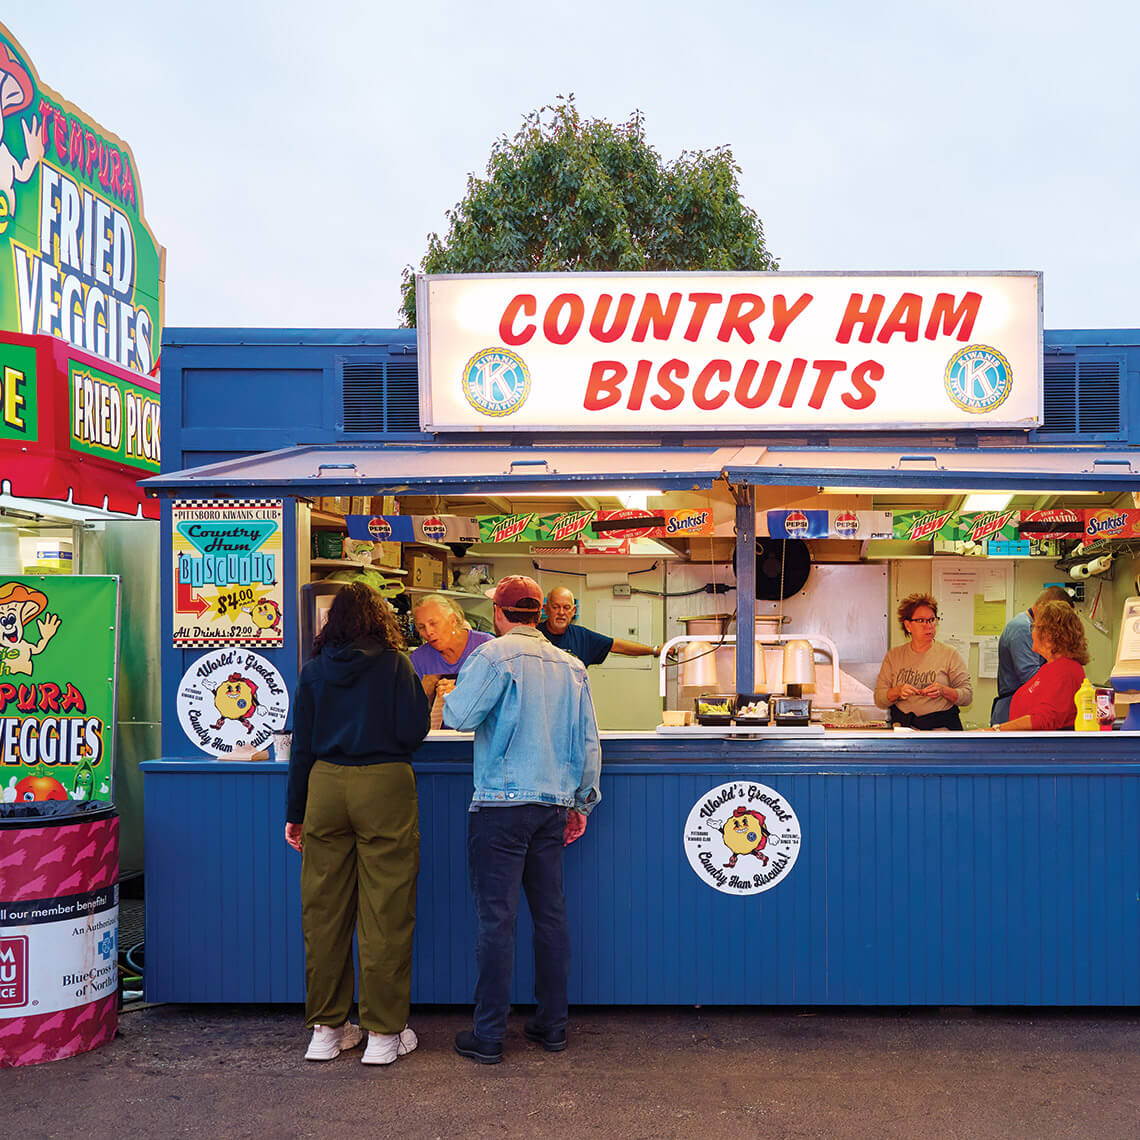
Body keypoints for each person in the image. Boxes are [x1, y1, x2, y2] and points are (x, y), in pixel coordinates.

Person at [442, 575, 601, 1064]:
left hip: (500, 807)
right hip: (552, 806)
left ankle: (489, 1035)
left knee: (498, 921)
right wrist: (583, 802)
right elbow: (589, 743)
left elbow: (459, 717)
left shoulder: (492, 656)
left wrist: (449, 692)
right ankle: (551, 1026)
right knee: (550, 917)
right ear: (538, 614)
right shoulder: (571, 665)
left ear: (499, 614)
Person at [284, 581, 431, 1065]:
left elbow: (301, 746)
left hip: (325, 786)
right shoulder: (394, 664)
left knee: (323, 912)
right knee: (386, 911)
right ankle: (384, 1037)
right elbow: (413, 732)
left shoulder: (313, 671)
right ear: (378, 619)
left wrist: (296, 813)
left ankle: (326, 1031)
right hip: (384, 784)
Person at [874, 592, 973, 730]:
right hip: (904, 731)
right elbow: (879, 699)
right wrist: (897, 691)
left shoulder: (950, 654)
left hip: (941, 731)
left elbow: (967, 696)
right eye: (921, 620)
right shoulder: (894, 656)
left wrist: (944, 691)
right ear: (908, 625)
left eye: (932, 619)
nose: (928, 626)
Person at [992, 601, 1089, 731]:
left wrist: (997, 730)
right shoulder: (1048, 668)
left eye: (1035, 627)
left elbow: (1045, 719)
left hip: (1048, 749)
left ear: (1048, 635)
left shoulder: (1067, 670)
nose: (1032, 633)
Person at [409, 594, 493, 728]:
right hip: (437, 742)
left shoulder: (486, 647)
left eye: (433, 623)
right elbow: (410, 715)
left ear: (453, 620)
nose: (429, 632)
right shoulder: (419, 659)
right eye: (421, 627)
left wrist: (459, 695)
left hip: (481, 739)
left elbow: (502, 703)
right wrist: (425, 696)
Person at [539, 585, 660, 666]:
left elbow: (618, 646)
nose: (561, 612)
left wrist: (655, 650)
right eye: (555, 607)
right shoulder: (533, 635)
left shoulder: (582, 637)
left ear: (573, 611)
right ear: (546, 609)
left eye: (566, 608)